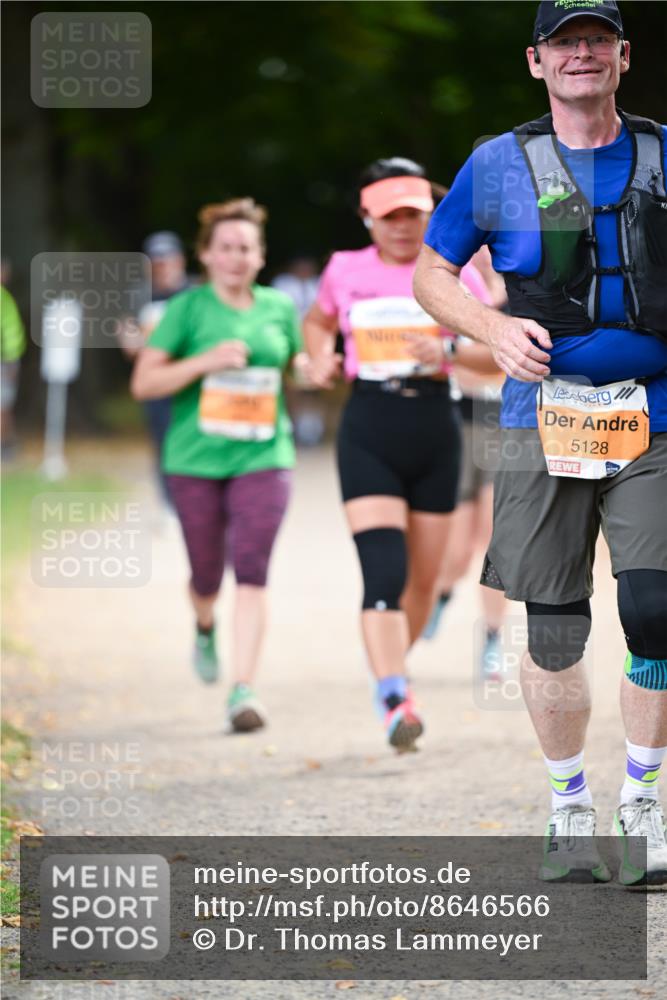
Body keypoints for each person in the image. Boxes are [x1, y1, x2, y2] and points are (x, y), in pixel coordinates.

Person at [414, 0, 667, 884]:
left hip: (655, 417)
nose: (581, 54)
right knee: (555, 627)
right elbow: (431, 273)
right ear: (536, 61)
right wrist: (489, 327)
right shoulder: (497, 164)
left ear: (623, 55)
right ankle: (568, 808)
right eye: (564, 43)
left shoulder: (663, 153)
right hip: (541, 421)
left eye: (596, 40)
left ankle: (642, 803)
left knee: (655, 609)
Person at [304, 157, 496, 752]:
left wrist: (448, 354)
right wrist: (319, 357)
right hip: (370, 427)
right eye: (390, 216)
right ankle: (395, 696)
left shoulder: (453, 275)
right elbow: (317, 323)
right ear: (368, 219)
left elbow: (497, 354)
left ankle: (391, 669)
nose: (404, 226)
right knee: (384, 572)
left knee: (423, 582)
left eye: (414, 214)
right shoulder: (345, 269)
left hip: (436, 428)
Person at [131, 200, 304, 733]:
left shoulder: (278, 307)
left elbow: (297, 363)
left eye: (245, 248)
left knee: (251, 569)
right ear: (205, 255)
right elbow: (145, 382)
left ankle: (242, 689)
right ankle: (204, 623)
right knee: (206, 574)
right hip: (195, 459)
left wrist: (314, 367)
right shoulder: (185, 310)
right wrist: (204, 362)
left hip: (264, 454)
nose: (236, 257)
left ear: (260, 256)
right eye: (225, 247)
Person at [422, 248, 508, 685]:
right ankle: (438, 595)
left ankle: (493, 640)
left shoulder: (526, 295)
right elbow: (460, 364)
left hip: (504, 428)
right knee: (456, 551)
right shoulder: (455, 295)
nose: (488, 254)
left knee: (494, 542)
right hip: (460, 426)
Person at [119, 231, 191, 507]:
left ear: (180, 260)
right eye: (156, 262)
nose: (163, 267)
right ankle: (169, 503)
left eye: (167, 260)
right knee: (162, 441)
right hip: (156, 383)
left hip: (190, 381)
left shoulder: (194, 293)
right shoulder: (139, 295)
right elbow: (127, 335)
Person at [1, 274, 26, 462]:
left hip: (4, 360)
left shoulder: (3, 297)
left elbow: (11, 330)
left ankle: (6, 445)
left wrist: (11, 359)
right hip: (7, 359)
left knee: (3, 407)